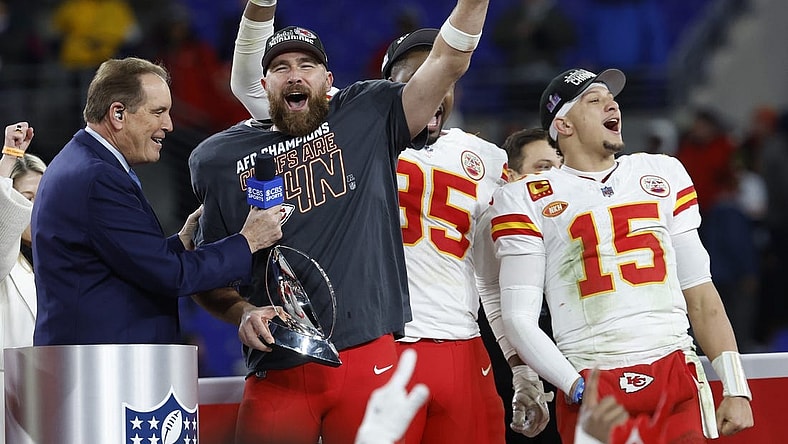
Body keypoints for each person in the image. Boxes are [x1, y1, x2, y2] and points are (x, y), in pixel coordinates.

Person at [188, 0, 490, 442]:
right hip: (278, 367)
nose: (294, 74)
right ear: (263, 84)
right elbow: (208, 281)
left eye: (307, 65)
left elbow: (448, 60)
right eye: (281, 67)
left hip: (368, 359)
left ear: (327, 81)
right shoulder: (218, 159)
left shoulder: (367, 114)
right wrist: (243, 312)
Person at [488, 68, 754, 443]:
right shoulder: (525, 197)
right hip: (593, 376)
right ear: (563, 125)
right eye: (593, 100)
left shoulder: (662, 172)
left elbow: (701, 294)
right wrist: (573, 385)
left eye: (610, 98)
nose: (611, 104)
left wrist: (735, 387)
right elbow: (518, 318)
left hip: (674, 369)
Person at [31, 57, 284, 346]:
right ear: (118, 114)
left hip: (97, 360)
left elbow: (123, 262)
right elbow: (171, 276)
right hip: (102, 369)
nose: (169, 125)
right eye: (158, 112)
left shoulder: (82, 163)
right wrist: (248, 240)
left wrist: (181, 240)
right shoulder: (97, 178)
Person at [476, 127, 561, 442]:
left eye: (559, 167)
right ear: (510, 176)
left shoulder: (575, 217)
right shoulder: (493, 222)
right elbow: (492, 297)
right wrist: (522, 373)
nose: (554, 178)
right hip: (510, 356)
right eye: (542, 168)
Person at [1, 121, 41, 444]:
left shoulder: (39, 265)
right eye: (26, 197)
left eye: (42, 199)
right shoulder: (4, 260)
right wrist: (9, 160)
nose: (35, 209)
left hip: (38, 398)